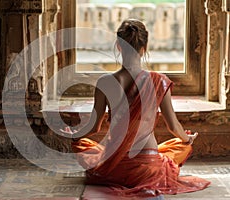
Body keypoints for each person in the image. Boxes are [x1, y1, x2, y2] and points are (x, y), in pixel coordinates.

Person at [60, 19, 210, 198]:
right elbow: (173, 127)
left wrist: (73, 135)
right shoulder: (159, 81)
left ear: (118, 46)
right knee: (179, 145)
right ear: (144, 48)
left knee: (83, 144)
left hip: (113, 167)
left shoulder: (105, 82)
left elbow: (94, 127)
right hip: (148, 169)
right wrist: (188, 139)